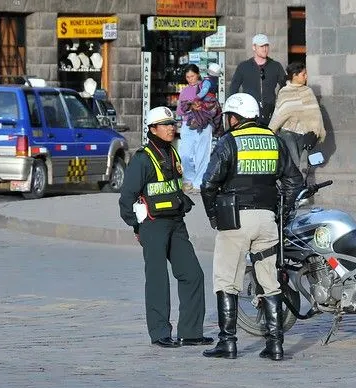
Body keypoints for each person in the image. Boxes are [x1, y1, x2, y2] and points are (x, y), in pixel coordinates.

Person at [200, 93, 304, 361]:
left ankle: (228, 342)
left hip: (234, 219)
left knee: (226, 279)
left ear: (234, 117)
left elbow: (208, 183)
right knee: (269, 280)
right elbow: (294, 180)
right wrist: (283, 211)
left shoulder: (229, 141)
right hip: (267, 220)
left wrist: (214, 216)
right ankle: (275, 344)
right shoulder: (274, 140)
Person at [118, 106, 213, 349]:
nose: (171, 128)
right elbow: (126, 197)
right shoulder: (142, 158)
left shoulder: (173, 153)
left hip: (176, 223)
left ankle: (190, 332)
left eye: (172, 124)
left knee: (193, 274)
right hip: (153, 225)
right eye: (165, 124)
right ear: (152, 129)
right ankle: (160, 332)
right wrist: (137, 226)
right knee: (158, 279)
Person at [269, 61, 326, 169]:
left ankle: (296, 184)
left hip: (303, 134)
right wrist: (270, 130)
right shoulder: (284, 92)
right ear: (295, 75)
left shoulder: (308, 91)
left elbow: (315, 114)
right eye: (303, 74)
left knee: (299, 162)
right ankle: (293, 183)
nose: (306, 77)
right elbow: (279, 113)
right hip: (287, 133)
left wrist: (316, 131)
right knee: (294, 161)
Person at [229, 33, 286, 126]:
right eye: (261, 46)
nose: (265, 49)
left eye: (266, 45)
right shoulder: (244, 66)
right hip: (248, 112)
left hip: (270, 112)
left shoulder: (276, 66)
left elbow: (285, 86)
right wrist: (234, 112)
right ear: (254, 47)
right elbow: (233, 89)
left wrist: (278, 102)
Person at [176, 64, 214, 194]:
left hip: (204, 123)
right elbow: (180, 111)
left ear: (197, 74)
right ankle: (189, 180)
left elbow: (211, 104)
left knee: (202, 155)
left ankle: (198, 183)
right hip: (188, 124)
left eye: (192, 76)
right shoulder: (185, 91)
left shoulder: (206, 86)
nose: (190, 79)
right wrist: (190, 107)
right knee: (185, 154)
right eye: (187, 77)